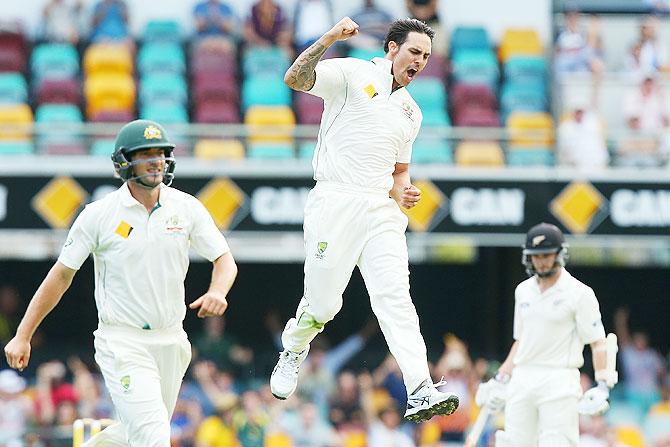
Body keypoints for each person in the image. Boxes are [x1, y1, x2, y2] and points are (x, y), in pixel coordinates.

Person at [269, 17, 459, 424]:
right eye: (413, 52)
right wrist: (330, 38)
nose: (420, 62)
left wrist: (403, 190)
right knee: (322, 304)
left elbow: (398, 172)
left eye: (426, 56)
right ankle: (294, 349)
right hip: (335, 199)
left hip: (380, 211)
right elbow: (295, 78)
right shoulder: (352, 72)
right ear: (391, 48)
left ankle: (419, 387)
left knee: (395, 299)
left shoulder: (411, 112)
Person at [4, 119, 238, 446]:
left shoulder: (186, 208)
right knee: (154, 435)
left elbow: (224, 260)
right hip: (122, 342)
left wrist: (217, 291)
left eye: (161, 153)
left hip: (171, 340)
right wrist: (23, 335)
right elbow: (60, 276)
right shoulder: (99, 215)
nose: (156, 161)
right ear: (123, 162)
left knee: (133, 433)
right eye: (146, 154)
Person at [475, 222, 618, 446]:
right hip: (523, 377)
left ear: (559, 254)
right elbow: (521, 341)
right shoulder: (523, 291)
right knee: (514, 442)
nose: (541, 262)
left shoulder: (579, 293)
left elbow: (599, 343)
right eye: (536, 256)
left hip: (559, 378)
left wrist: (602, 383)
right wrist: (500, 378)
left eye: (546, 255)